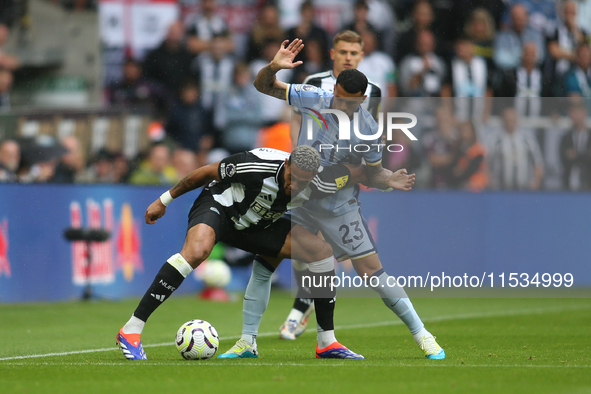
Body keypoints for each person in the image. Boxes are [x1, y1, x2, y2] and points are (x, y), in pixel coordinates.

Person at [116, 145, 414, 360]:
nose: (295, 186)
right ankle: (131, 329)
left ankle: (327, 341)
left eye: (303, 183)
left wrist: (387, 179)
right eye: (291, 179)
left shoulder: (321, 180)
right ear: (286, 167)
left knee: (321, 252)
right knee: (197, 251)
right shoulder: (255, 165)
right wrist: (163, 200)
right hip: (222, 207)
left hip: (259, 223)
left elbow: (358, 172)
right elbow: (205, 172)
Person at [251, 38, 445, 359]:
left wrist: (388, 180)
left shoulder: (369, 129)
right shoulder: (312, 95)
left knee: (372, 273)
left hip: (337, 205)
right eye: (339, 99)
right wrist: (273, 67)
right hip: (297, 199)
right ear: (334, 90)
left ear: (364, 98)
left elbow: (372, 174)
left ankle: (422, 334)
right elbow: (264, 86)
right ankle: (248, 341)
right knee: (265, 261)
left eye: (351, 103)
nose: (342, 107)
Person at [290, 30, 382, 148]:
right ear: (332, 54)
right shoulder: (313, 83)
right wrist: (298, 152)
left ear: (361, 56)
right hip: (316, 157)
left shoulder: (373, 90)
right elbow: (298, 120)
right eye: (343, 52)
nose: (348, 58)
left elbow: (372, 128)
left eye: (353, 53)